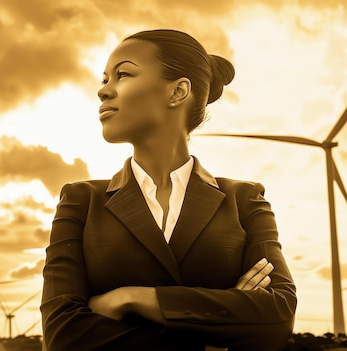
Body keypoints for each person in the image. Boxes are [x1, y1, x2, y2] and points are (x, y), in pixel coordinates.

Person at [40, 29, 297, 351]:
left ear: (177, 92)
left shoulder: (244, 200)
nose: (103, 92)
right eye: (105, 79)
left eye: (123, 74)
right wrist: (219, 329)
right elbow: (63, 336)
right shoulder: (81, 201)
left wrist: (130, 298)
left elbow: (276, 319)